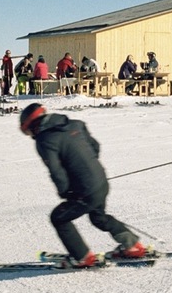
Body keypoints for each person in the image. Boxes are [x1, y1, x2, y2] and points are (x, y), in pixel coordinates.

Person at [19, 103, 145, 267]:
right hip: (101, 182)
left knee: (59, 218)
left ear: (32, 124)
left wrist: (66, 192)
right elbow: (95, 147)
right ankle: (133, 246)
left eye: (27, 131)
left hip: (86, 191)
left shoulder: (45, 140)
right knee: (98, 217)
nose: (30, 136)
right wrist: (88, 168)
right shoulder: (75, 124)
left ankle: (82, 257)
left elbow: (57, 172)